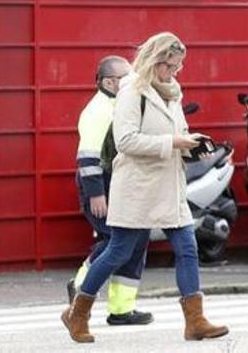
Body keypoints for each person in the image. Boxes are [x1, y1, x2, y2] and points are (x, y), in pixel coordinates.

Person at [61, 33, 228, 343]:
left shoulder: (172, 92)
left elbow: (178, 133)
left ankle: (195, 320)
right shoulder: (132, 92)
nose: (176, 72)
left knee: (188, 248)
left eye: (179, 66)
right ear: (154, 61)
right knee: (117, 251)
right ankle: (78, 313)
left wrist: (192, 146)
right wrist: (173, 142)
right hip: (136, 185)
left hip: (168, 185)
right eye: (170, 65)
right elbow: (126, 140)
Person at [65, 55, 153, 326]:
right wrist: (96, 194)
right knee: (115, 241)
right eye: (126, 79)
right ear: (109, 82)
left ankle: (121, 309)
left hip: (120, 187)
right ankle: (80, 285)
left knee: (135, 243)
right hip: (102, 187)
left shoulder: (118, 106)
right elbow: (88, 156)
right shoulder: (98, 111)